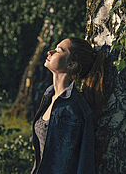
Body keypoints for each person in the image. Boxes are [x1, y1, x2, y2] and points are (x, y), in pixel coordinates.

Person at [31, 37, 105, 174]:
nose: (50, 52)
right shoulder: (48, 96)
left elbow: (84, 162)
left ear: (71, 64)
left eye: (59, 51)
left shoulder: (76, 109)